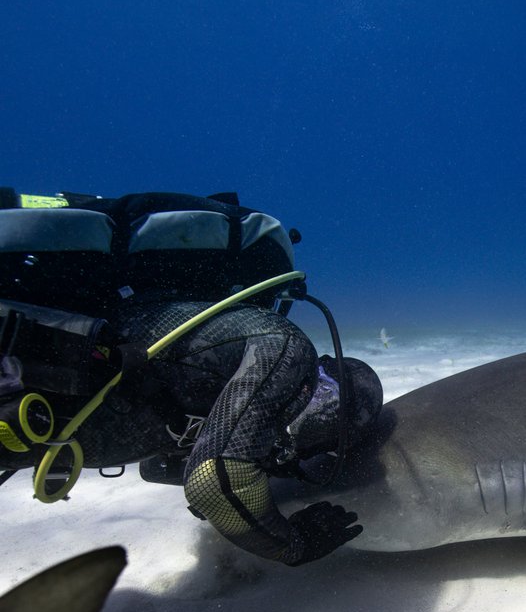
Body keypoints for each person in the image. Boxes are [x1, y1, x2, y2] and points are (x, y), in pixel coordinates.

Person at [0, 193, 383, 565]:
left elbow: (161, 466)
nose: (317, 441)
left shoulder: (195, 359)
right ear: (323, 388)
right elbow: (212, 483)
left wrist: (261, 453)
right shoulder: (282, 344)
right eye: (333, 426)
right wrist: (293, 545)